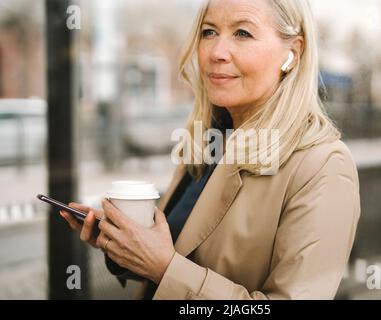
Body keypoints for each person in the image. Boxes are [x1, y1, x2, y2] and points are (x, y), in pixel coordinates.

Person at [61, 0, 361, 300]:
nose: (216, 52)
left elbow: (171, 269)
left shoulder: (324, 166)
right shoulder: (210, 140)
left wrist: (165, 269)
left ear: (292, 53)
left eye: (242, 33)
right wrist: (126, 244)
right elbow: (178, 257)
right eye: (208, 32)